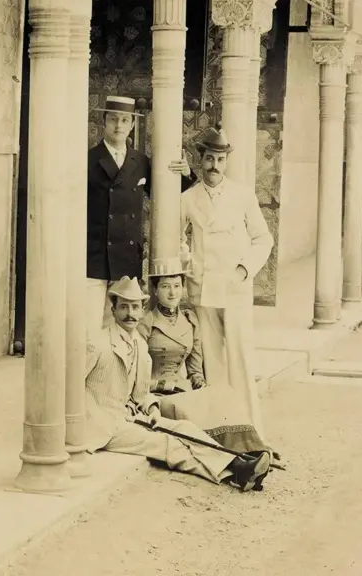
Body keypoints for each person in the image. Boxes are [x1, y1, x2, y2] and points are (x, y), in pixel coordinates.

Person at [85, 276, 272, 492]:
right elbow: (71, 386)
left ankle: (239, 469)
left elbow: (141, 395)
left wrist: (153, 410)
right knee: (167, 443)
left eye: (135, 307)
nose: (130, 313)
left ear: (141, 309)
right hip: (101, 425)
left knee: (184, 428)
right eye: (124, 306)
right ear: (113, 309)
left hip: (129, 417)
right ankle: (237, 468)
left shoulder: (139, 346)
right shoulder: (97, 343)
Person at [180, 126, 273, 433]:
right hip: (202, 290)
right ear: (200, 160)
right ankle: (221, 430)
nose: (214, 166)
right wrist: (187, 261)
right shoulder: (188, 198)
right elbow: (176, 239)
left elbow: (263, 239)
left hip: (234, 290)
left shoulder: (242, 196)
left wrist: (244, 269)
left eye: (220, 160)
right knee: (212, 364)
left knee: (240, 361)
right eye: (209, 159)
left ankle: (251, 429)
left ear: (226, 162)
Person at [137, 256, 275, 458]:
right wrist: (158, 386)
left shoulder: (190, 321)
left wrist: (202, 386)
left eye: (177, 285)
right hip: (158, 395)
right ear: (156, 290)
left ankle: (254, 450)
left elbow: (194, 371)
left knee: (223, 398)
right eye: (165, 286)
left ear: (183, 288)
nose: (172, 292)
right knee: (194, 415)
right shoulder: (146, 322)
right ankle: (238, 460)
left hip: (183, 389)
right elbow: (136, 375)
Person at [87, 95, 195, 337]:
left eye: (124, 120)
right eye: (113, 119)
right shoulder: (88, 160)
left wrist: (186, 174)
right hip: (94, 258)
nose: (118, 126)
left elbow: (171, 193)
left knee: (123, 327)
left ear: (132, 125)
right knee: (91, 328)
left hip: (126, 258)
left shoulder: (140, 161)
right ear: (103, 121)